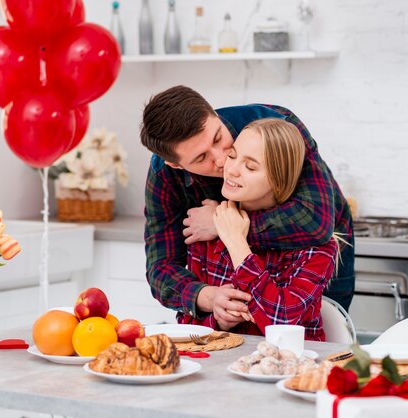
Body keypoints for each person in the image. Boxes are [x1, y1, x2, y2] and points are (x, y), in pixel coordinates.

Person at [140, 85, 354, 327]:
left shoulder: (278, 125)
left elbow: (314, 220)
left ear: (214, 114)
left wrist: (222, 225)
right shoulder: (164, 174)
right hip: (231, 274)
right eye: (201, 158)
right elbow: (161, 269)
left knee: (326, 331)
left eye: (219, 138)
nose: (223, 161)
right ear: (176, 165)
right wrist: (210, 298)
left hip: (314, 255)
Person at [177, 118, 340, 339]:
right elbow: (185, 323)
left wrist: (237, 244)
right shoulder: (206, 230)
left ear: (278, 181)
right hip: (221, 367)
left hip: (290, 368)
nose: (232, 169)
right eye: (232, 156)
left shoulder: (316, 248)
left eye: (250, 166)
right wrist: (217, 318)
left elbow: (280, 323)